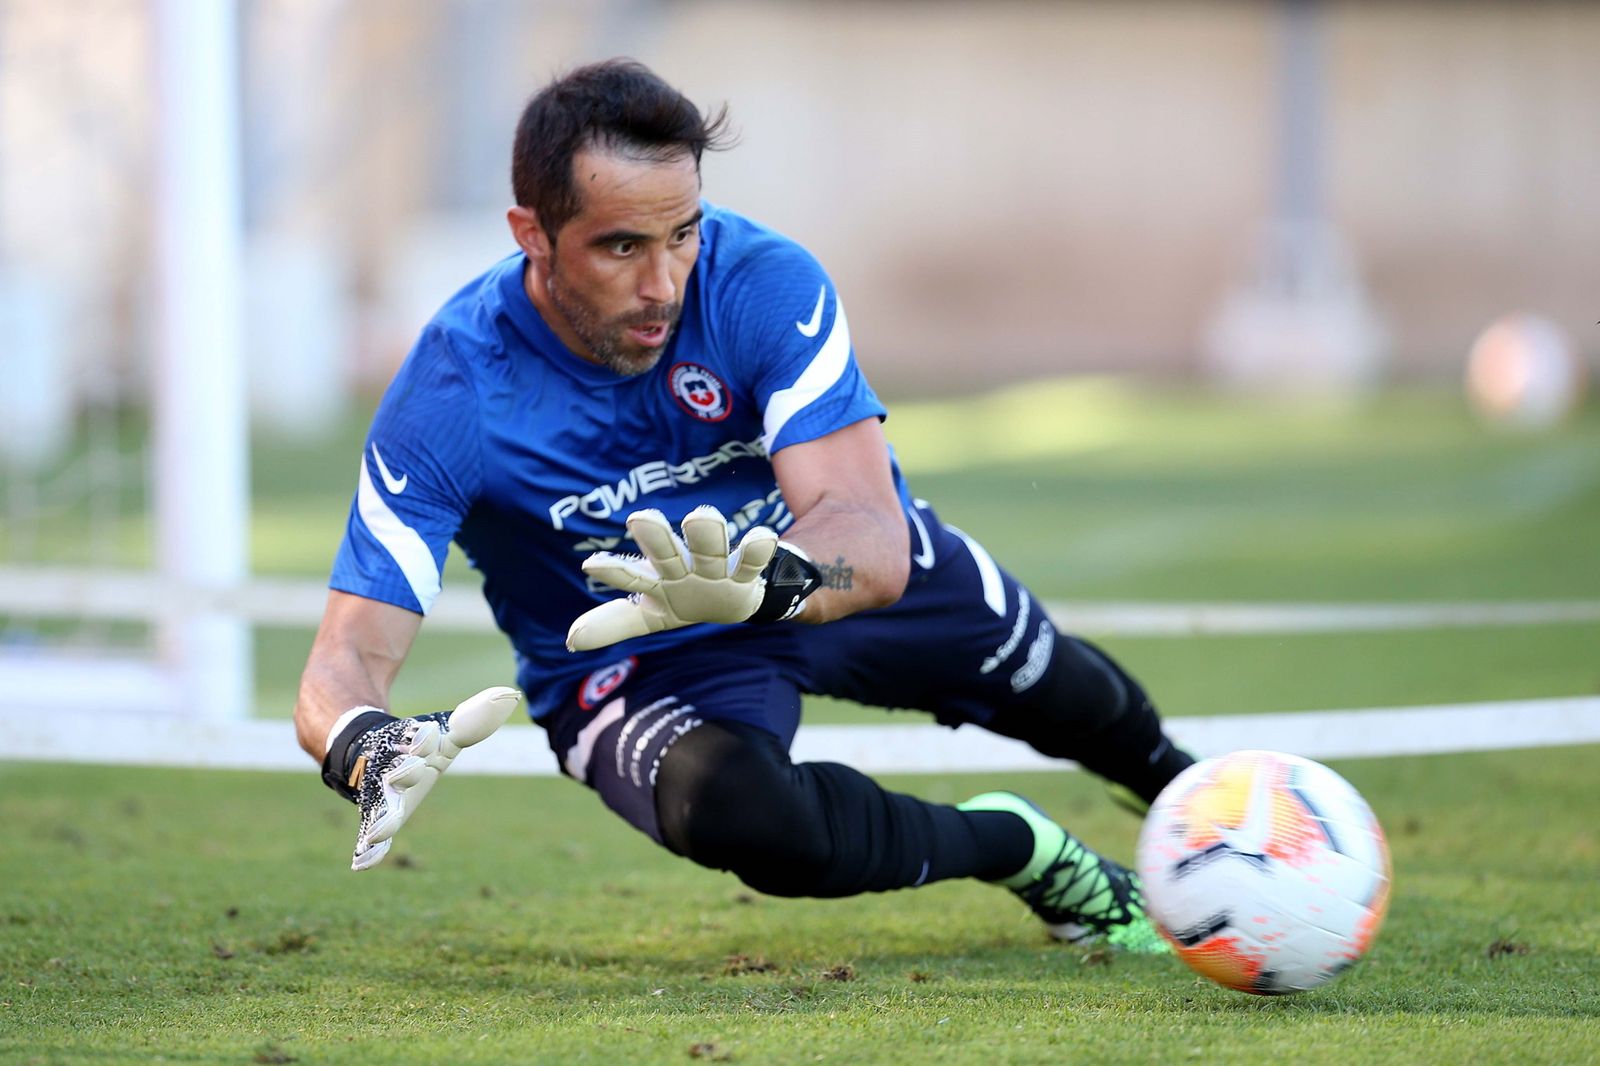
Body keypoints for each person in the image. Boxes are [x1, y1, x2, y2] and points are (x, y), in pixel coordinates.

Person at [293, 58, 1194, 953]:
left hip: (801, 572)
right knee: (751, 822)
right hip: (641, 665)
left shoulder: (761, 283)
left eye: (682, 233)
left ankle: (1211, 804)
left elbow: (873, 543)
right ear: (532, 233)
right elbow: (345, 658)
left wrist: (767, 586)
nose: (663, 284)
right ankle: (1024, 848)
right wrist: (365, 746)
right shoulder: (452, 391)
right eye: (621, 247)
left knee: (1073, 695)